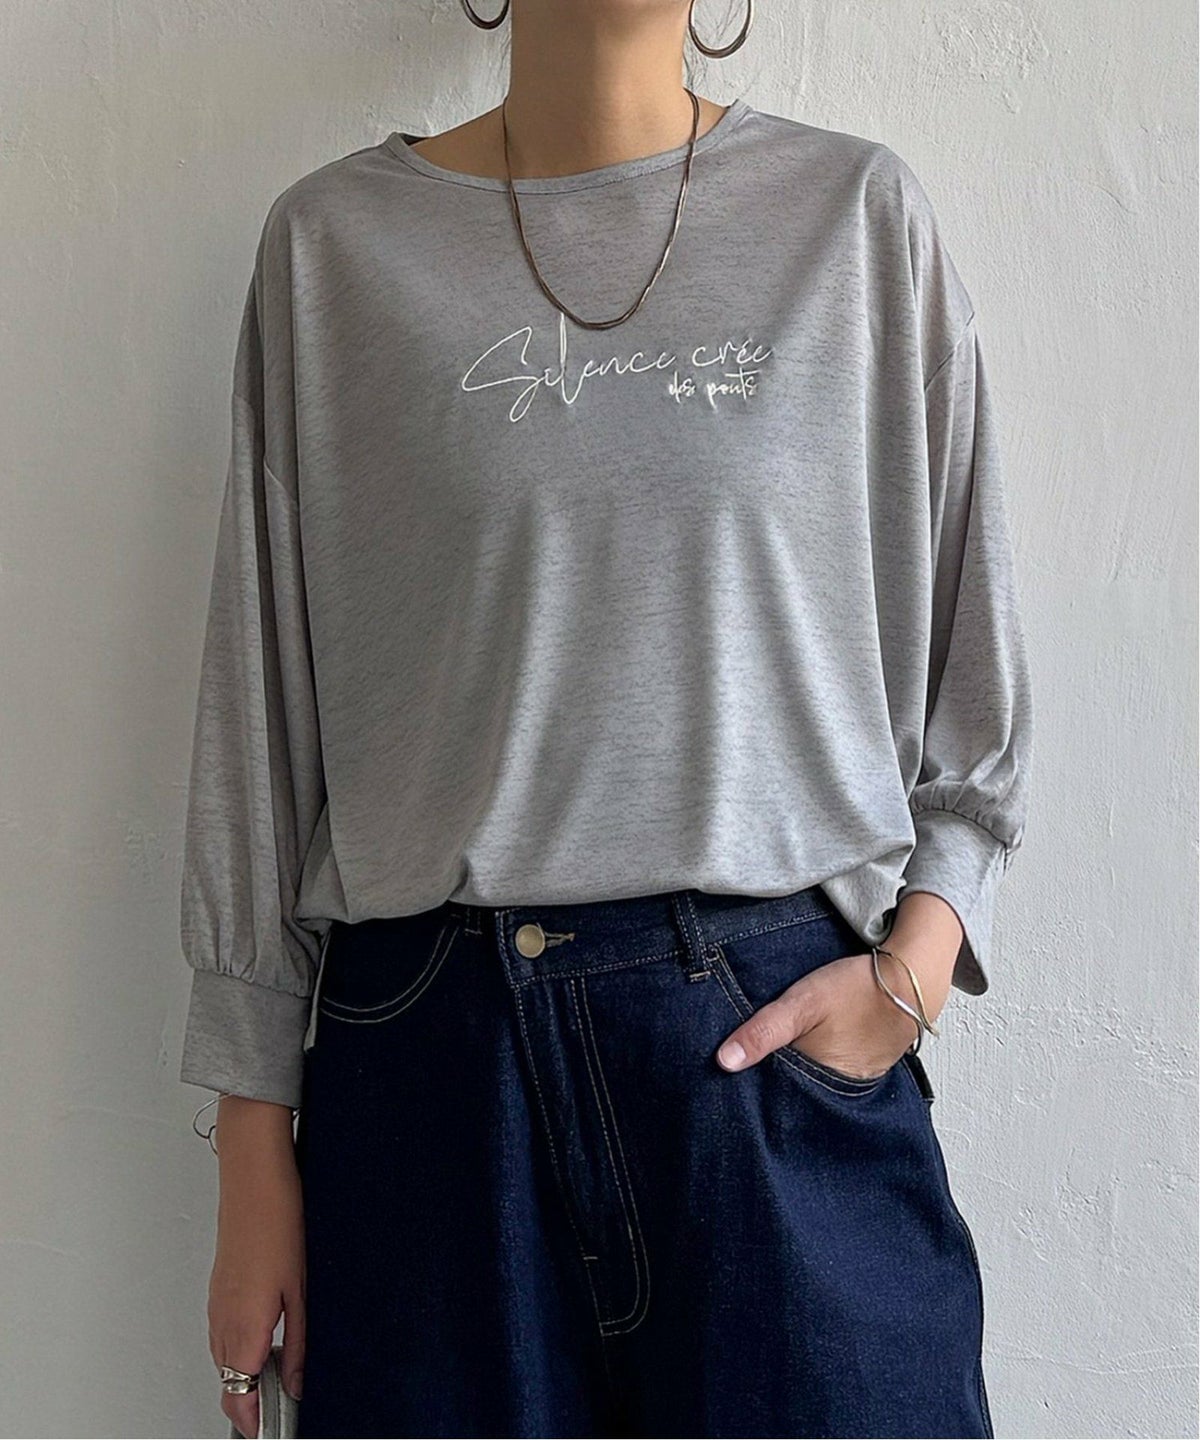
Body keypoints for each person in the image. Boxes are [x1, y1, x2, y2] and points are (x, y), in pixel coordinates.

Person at [178, 1, 1035, 1436]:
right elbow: (261, 709)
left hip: (771, 1053)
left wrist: (917, 966)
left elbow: (972, 667)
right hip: (436, 1077)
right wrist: (251, 1137)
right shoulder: (333, 250)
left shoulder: (853, 221)